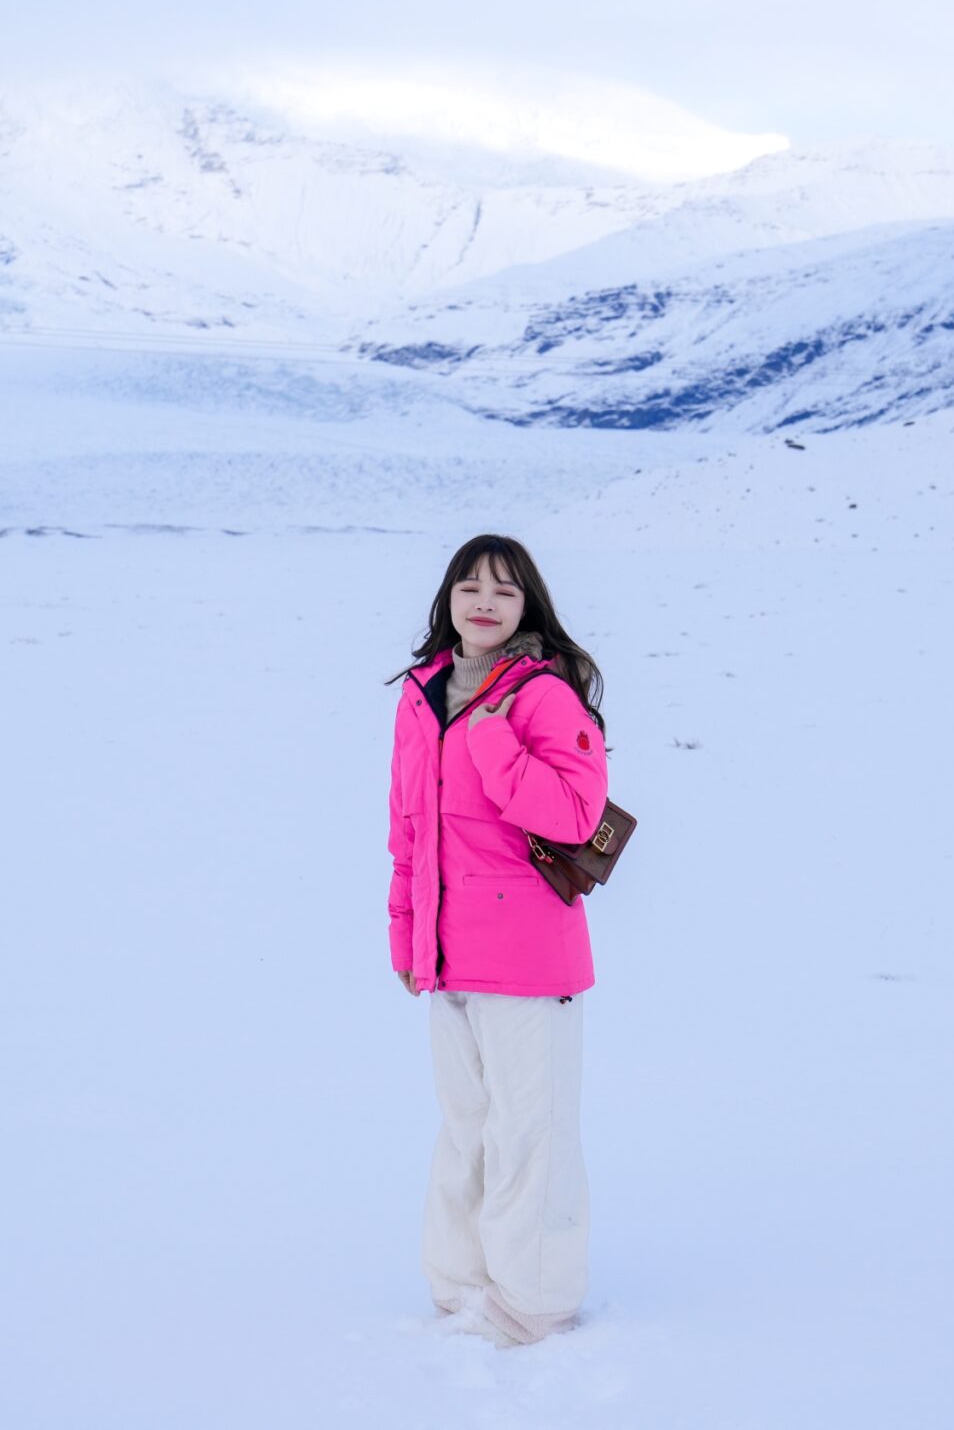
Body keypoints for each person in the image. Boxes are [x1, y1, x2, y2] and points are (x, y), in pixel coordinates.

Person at [383, 533, 611, 1346]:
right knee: (467, 1127)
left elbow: (578, 814)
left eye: (505, 590)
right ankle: (462, 1287)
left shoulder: (543, 692)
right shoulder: (422, 694)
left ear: (528, 605)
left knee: (530, 1133)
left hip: (528, 956)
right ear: (448, 596)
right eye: (471, 586)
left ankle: (536, 1300)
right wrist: (407, 934)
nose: (484, 601)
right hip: (449, 957)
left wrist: (492, 740)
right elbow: (409, 830)